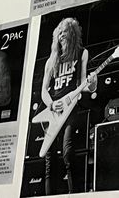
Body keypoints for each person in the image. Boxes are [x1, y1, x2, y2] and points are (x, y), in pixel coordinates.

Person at [41, 18, 97, 195]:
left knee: (68, 153)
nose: (61, 34)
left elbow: (83, 84)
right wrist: (51, 104)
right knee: (50, 159)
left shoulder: (82, 53)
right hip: (53, 111)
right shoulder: (51, 61)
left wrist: (93, 84)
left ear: (72, 33)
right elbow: (43, 90)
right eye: (59, 32)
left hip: (71, 109)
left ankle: (75, 193)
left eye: (65, 31)